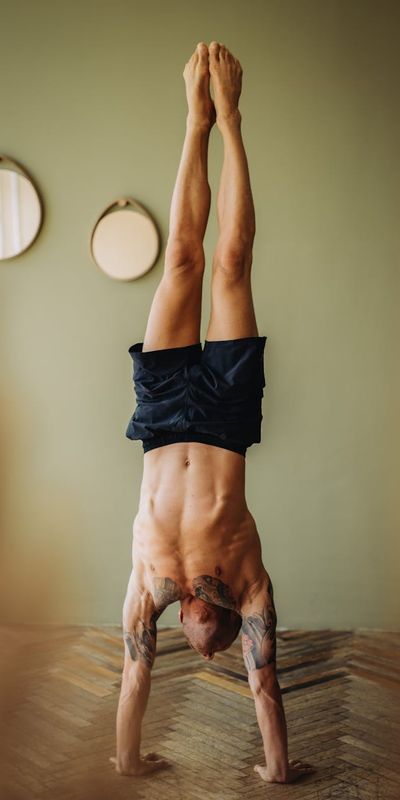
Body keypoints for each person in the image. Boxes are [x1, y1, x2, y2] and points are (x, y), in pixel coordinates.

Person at [110, 42, 314, 785]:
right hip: (226, 417)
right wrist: (278, 770)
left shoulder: (147, 585)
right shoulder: (249, 582)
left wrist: (128, 762)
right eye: (209, 642)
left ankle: (193, 125)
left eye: (189, 641)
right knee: (230, 261)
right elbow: (265, 685)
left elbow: (134, 679)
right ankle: (227, 119)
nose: (196, 642)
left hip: (164, 420)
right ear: (224, 621)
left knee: (182, 262)